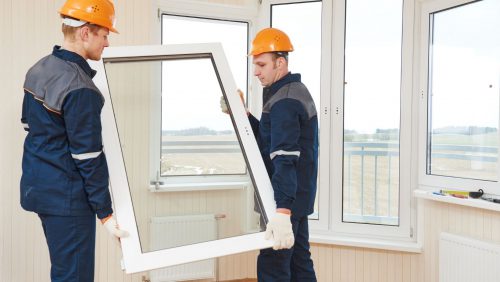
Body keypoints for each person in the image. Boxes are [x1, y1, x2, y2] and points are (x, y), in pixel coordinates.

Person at [20, 0, 127, 281]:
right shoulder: (80, 88)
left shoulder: (40, 69)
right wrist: (105, 213)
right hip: (66, 199)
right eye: (104, 36)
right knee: (75, 276)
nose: (107, 44)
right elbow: (87, 156)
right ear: (85, 33)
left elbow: (29, 124)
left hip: (40, 189)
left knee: (65, 270)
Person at [222, 27, 318, 281]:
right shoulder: (289, 93)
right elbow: (268, 141)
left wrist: (282, 211)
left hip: (284, 202)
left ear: (281, 63)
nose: (256, 72)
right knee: (299, 264)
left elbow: (285, 158)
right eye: (255, 65)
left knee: (273, 268)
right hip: (296, 199)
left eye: (262, 65)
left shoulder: (284, 101)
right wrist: (242, 114)